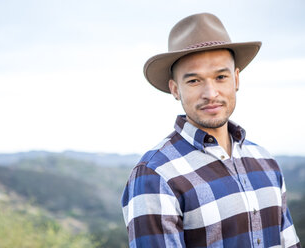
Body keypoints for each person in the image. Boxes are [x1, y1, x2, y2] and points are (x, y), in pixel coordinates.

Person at [121, 13, 301, 248]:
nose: (211, 93)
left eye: (220, 77)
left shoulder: (265, 161)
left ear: (236, 79)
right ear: (175, 89)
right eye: (194, 81)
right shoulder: (155, 174)